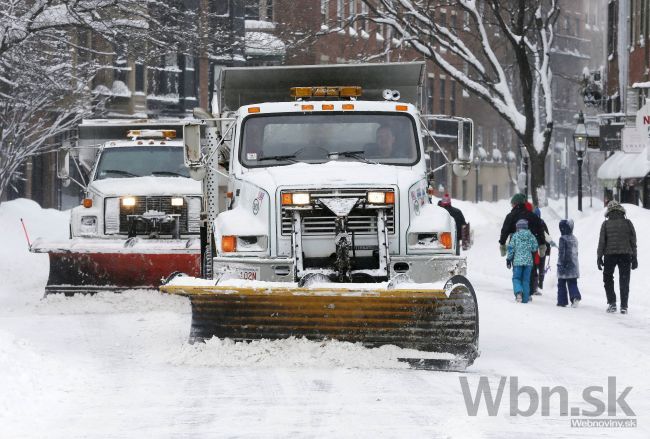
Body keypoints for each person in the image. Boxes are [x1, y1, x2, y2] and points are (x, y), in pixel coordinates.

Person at [597, 201, 637, 314]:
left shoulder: (605, 224)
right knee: (624, 280)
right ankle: (624, 306)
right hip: (625, 255)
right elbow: (633, 241)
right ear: (621, 211)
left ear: (608, 212)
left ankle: (612, 303)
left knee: (608, 278)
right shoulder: (628, 223)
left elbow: (602, 242)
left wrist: (599, 257)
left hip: (610, 256)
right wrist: (634, 257)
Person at [499, 193, 545, 258]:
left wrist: (502, 245)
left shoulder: (510, 216)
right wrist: (542, 245)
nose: (511, 205)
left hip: (516, 248)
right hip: (530, 248)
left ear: (515, 203)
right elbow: (540, 230)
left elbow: (505, 231)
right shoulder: (532, 216)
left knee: (517, 266)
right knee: (531, 266)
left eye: (512, 203)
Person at [506, 219, 539, 303]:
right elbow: (535, 247)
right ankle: (525, 298)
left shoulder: (515, 236)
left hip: (517, 262)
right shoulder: (531, 236)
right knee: (526, 280)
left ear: (518, 228)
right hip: (528, 263)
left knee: (516, 278)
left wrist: (509, 259)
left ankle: (518, 293)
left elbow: (511, 249)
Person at [557, 219, 581, 307]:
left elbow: (562, 253)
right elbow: (576, 252)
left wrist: (561, 264)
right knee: (572, 282)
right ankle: (575, 297)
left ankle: (562, 301)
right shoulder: (574, 238)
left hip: (564, 264)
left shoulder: (562, 239)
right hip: (573, 265)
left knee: (561, 283)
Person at [530, 206, 551, 294]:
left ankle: (534, 286)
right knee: (541, 267)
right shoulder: (542, 223)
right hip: (542, 248)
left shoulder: (530, 223)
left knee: (533, 267)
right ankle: (540, 284)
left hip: (533, 249)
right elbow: (547, 237)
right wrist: (548, 249)